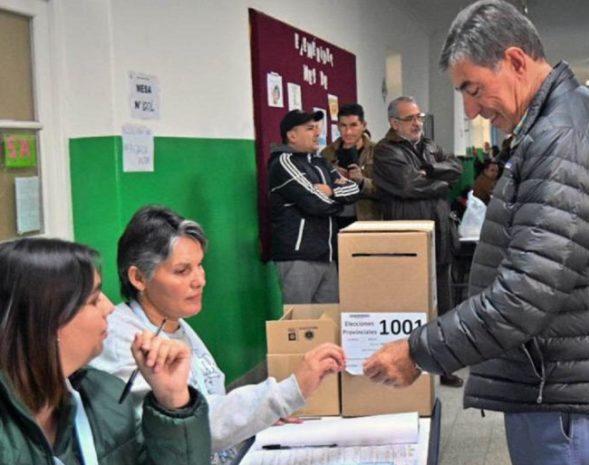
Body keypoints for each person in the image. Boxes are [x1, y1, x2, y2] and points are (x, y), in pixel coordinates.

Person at [363, 2, 589, 464]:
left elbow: (525, 293)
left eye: (473, 88)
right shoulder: (556, 125)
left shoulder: (564, 138)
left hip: (568, 395)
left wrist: (418, 351)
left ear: (517, 61)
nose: (470, 108)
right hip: (565, 375)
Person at [91, 205, 346, 464]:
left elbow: (209, 402)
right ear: (138, 278)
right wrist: (287, 392)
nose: (199, 280)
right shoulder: (124, 340)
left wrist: (255, 415)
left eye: (199, 266)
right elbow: (187, 431)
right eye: (182, 271)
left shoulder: (173, 322)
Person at [0, 237, 211, 464]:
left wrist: (173, 401)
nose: (109, 307)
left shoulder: (107, 397)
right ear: (44, 321)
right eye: (93, 300)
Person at [372, 95, 463, 387]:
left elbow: (457, 171)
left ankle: (444, 364)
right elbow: (408, 185)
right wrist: (439, 182)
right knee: (413, 302)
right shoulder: (386, 151)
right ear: (394, 123)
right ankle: (412, 363)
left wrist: (432, 171)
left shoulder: (429, 146)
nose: (417, 123)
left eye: (419, 117)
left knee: (444, 303)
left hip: (441, 234)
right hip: (409, 238)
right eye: (410, 118)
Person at [269, 109, 361, 304]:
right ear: (292, 136)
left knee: (330, 323)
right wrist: (338, 202)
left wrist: (332, 191)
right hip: (298, 257)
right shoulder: (284, 162)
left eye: (317, 128)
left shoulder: (321, 162)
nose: (318, 133)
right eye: (310, 129)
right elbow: (315, 203)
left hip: (327, 254)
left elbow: (353, 189)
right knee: (301, 326)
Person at [321, 103, 381, 226]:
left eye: (353, 125)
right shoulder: (326, 153)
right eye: (343, 126)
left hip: (368, 220)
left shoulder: (379, 151)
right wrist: (331, 177)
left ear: (363, 126)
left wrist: (362, 181)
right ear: (338, 126)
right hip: (336, 221)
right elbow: (318, 191)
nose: (348, 132)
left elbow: (388, 190)